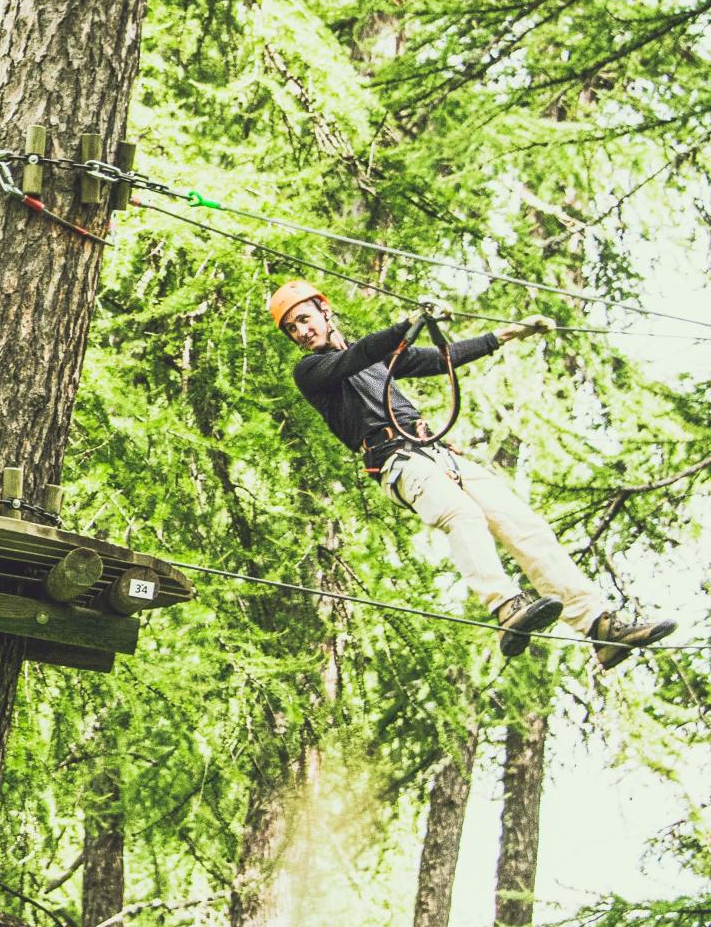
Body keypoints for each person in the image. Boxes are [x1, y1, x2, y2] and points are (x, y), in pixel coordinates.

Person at [269, 279, 677, 669]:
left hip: (436, 451)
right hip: (397, 461)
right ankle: (505, 606)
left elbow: (436, 359)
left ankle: (599, 626)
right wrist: (406, 325)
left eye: (304, 319)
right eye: (292, 329)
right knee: (460, 515)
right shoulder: (312, 371)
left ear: (324, 311)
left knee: (525, 526)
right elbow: (353, 359)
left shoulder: (371, 355)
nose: (301, 332)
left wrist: (504, 336)